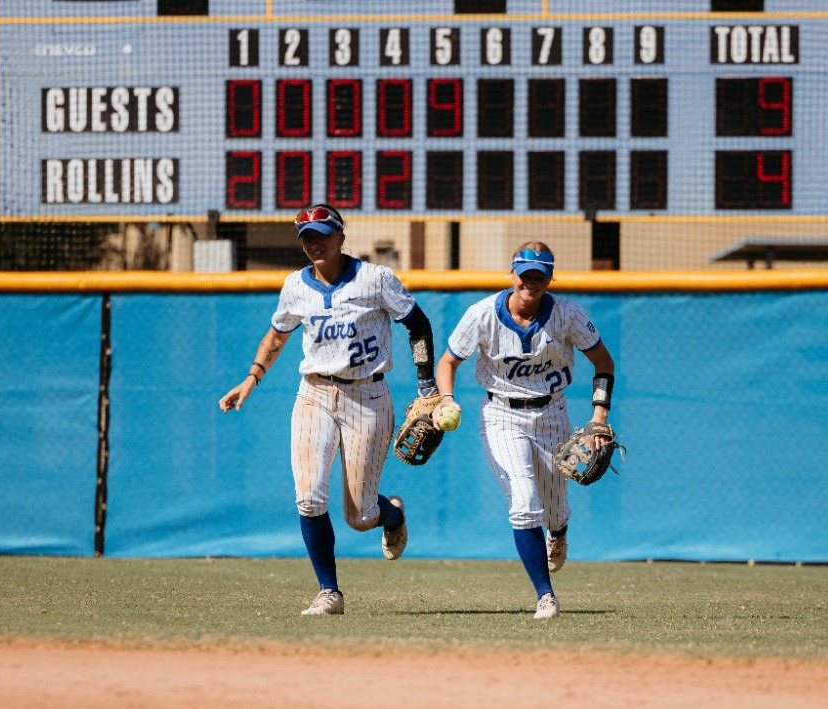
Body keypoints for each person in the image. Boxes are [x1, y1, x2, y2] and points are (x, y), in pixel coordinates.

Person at [219, 203, 438, 616]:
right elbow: (277, 333)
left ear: (341, 236)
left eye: (322, 234)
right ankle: (329, 593)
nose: (314, 243)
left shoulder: (376, 279)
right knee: (309, 498)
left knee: (360, 516)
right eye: (307, 237)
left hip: (367, 398)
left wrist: (427, 384)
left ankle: (391, 515)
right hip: (314, 395)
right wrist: (251, 378)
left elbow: (419, 324)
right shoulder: (295, 286)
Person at [433, 243, 617, 619]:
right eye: (525, 273)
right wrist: (446, 399)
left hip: (552, 411)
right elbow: (448, 361)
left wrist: (599, 415)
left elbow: (603, 362)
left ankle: (559, 530)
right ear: (512, 273)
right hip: (501, 414)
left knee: (553, 509)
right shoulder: (482, 314)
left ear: (549, 278)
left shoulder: (566, 314)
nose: (531, 281)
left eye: (540, 274)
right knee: (523, 503)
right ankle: (545, 596)